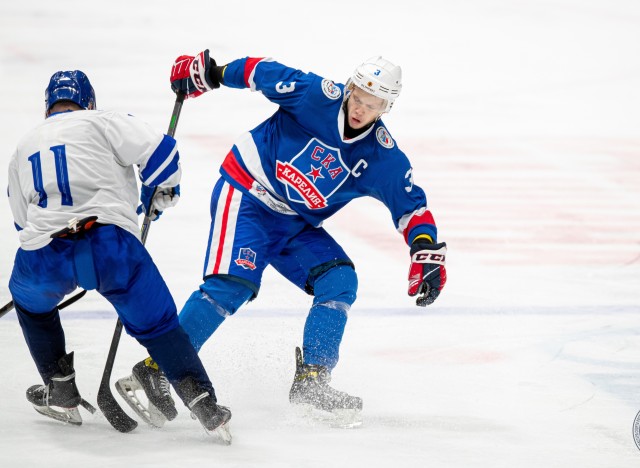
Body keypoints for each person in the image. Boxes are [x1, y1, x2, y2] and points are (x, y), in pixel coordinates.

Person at [119, 50, 447, 426]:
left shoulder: (381, 157)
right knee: (231, 285)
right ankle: (156, 368)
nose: (360, 109)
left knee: (339, 281)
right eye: (357, 97)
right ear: (349, 87)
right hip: (247, 192)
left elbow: (411, 209)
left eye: (372, 105)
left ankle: (312, 381)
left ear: (386, 108)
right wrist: (212, 73)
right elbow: (261, 71)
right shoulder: (316, 96)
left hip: (293, 223)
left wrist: (424, 248)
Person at [6, 69, 230, 436]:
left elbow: (22, 225)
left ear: (48, 107)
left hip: (44, 255)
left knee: (32, 305)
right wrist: (161, 192)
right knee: (159, 327)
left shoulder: (23, 146)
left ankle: (59, 388)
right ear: (89, 102)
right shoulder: (103, 121)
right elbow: (162, 154)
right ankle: (202, 400)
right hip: (110, 248)